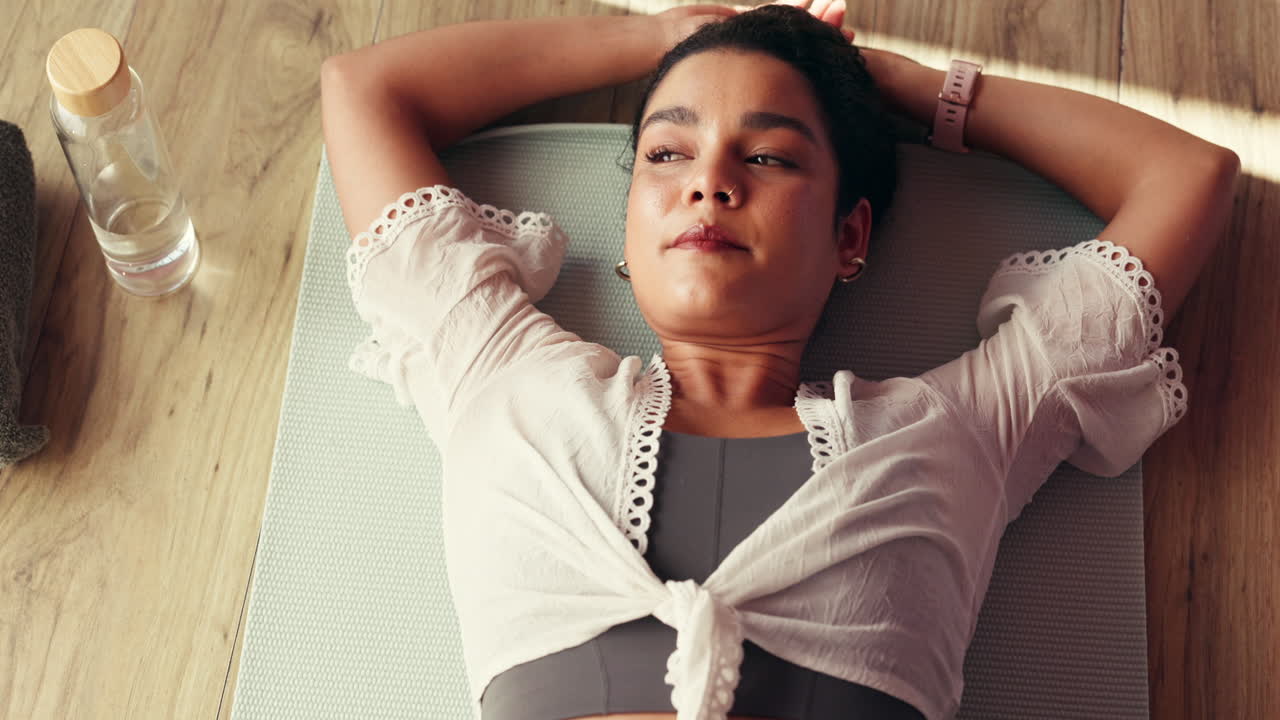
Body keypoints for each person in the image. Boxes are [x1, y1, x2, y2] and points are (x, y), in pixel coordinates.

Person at [320, 2, 1239, 719]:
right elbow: (363, 90)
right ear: (631, 237)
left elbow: (1187, 175)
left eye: (766, 155)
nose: (708, 181)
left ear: (851, 236)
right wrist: (665, 38)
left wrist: (894, 85)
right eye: (667, 150)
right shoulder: (497, 372)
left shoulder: (954, 433)